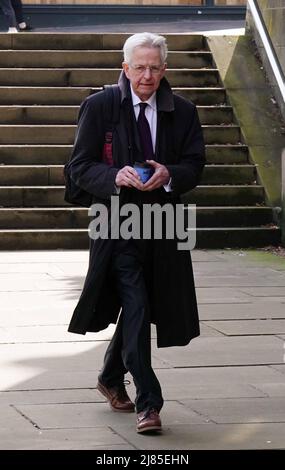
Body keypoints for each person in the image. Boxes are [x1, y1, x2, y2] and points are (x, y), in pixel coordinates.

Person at [67, 32, 206, 434]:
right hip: (115, 222)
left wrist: (169, 174)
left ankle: (110, 377)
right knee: (137, 303)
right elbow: (78, 167)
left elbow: (196, 164)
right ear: (124, 68)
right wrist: (115, 175)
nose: (146, 75)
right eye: (139, 67)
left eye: (154, 68)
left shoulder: (183, 110)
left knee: (142, 304)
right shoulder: (99, 106)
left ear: (165, 70)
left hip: (165, 223)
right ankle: (149, 402)